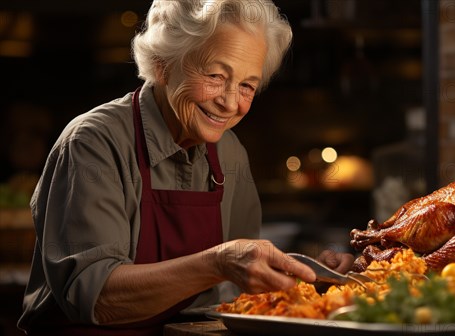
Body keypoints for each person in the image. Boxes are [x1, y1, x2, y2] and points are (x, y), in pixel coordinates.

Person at [18, 1, 354, 335]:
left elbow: (238, 289)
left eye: (247, 86)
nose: (230, 102)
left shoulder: (230, 152)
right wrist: (217, 263)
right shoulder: (93, 143)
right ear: (163, 65)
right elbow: (94, 298)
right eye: (215, 76)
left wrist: (309, 277)